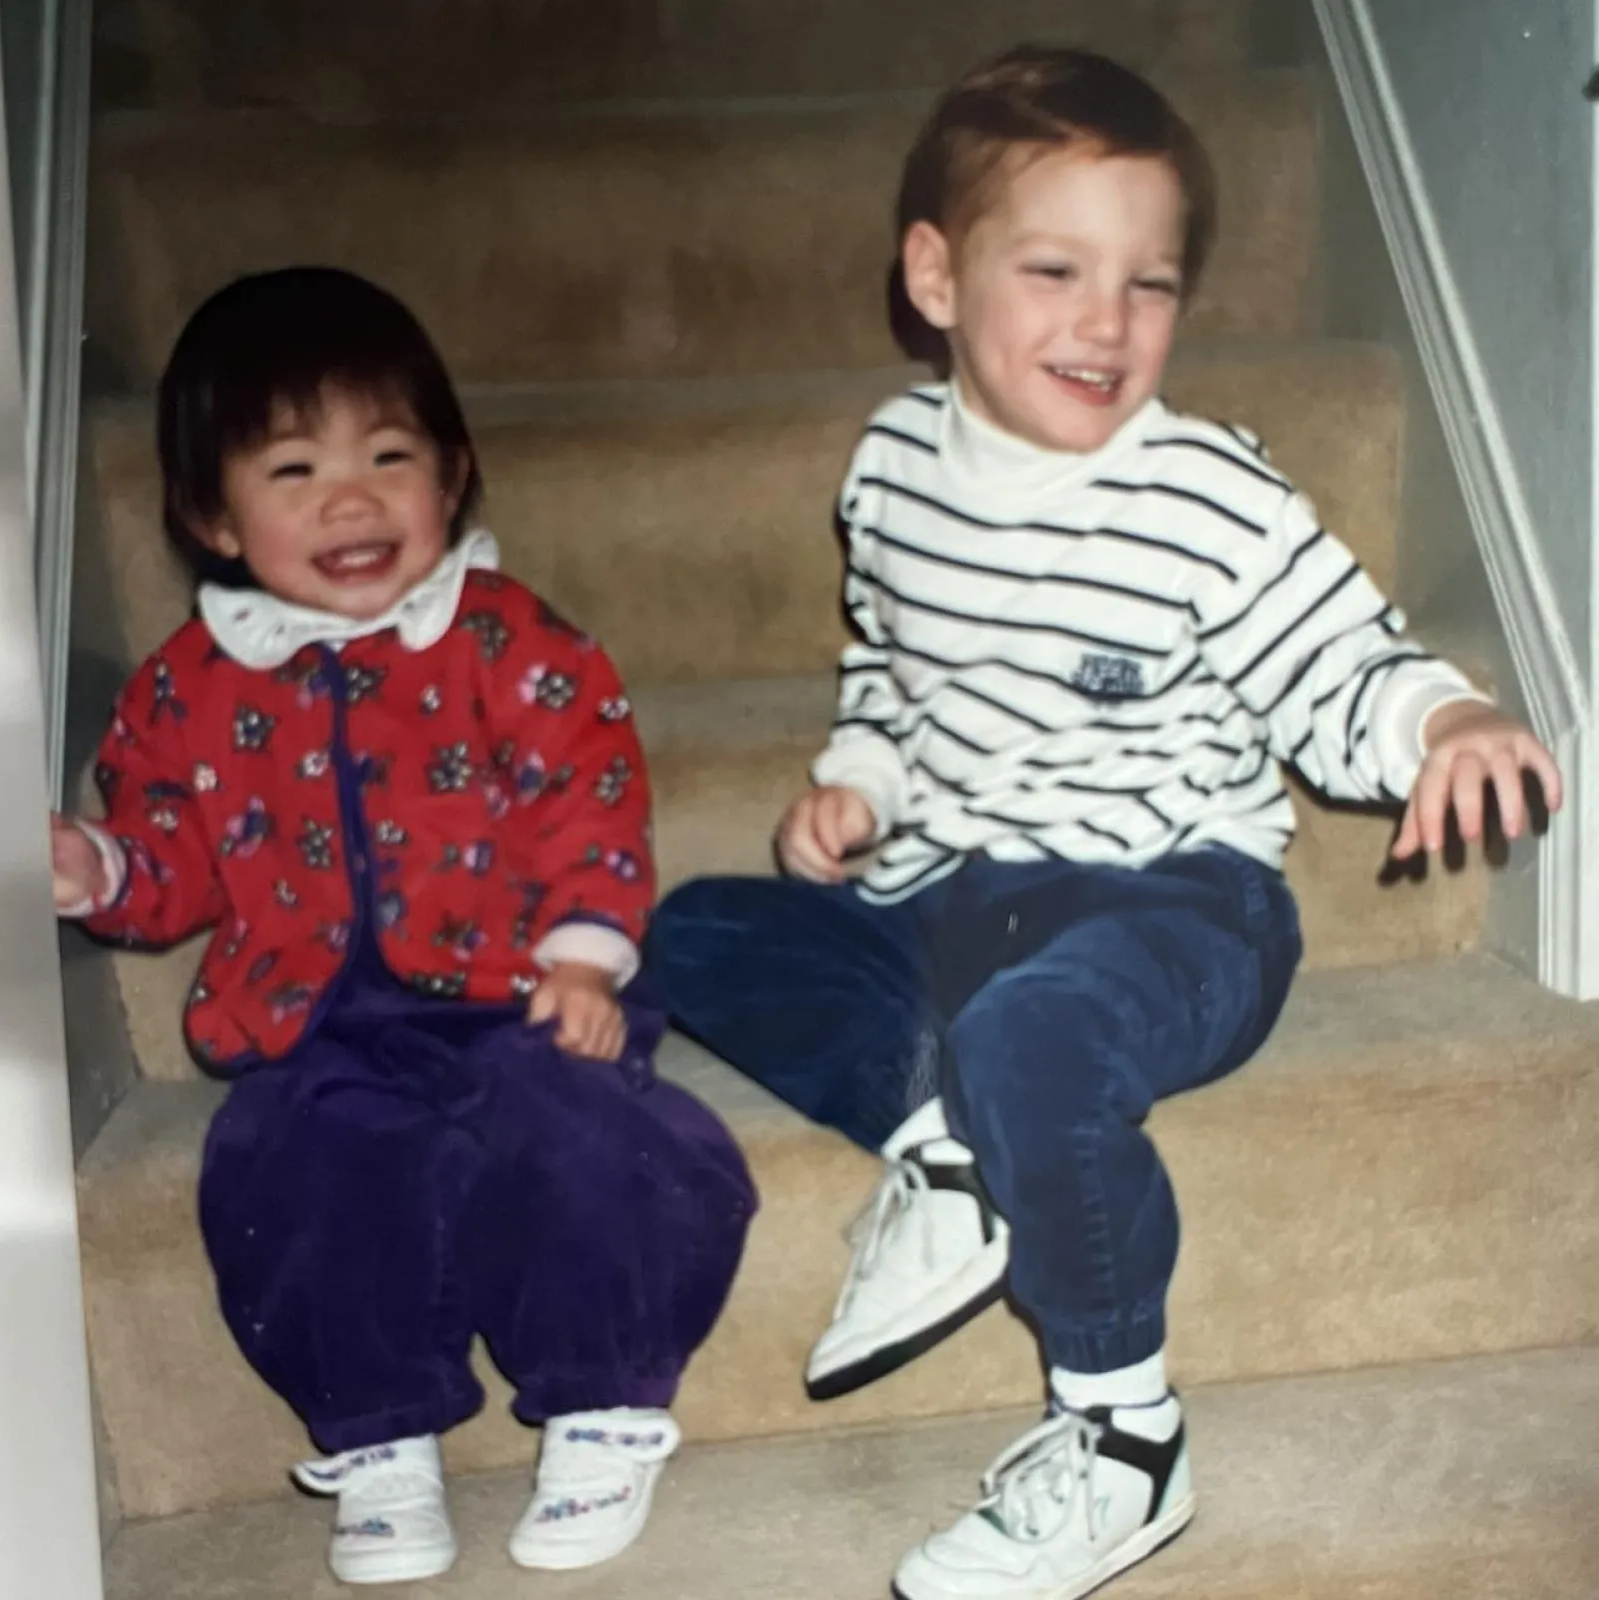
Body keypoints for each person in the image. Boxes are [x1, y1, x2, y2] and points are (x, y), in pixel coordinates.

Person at [646, 46, 1561, 1600]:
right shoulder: (887, 474)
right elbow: (890, 669)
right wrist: (859, 783)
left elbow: (1337, 660)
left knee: (1034, 1040)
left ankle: (1123, 1438)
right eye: (1057, 269)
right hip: (959, 888)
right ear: (935, 276)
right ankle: (941, 1138)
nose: (1108, 322)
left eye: (1152, 283)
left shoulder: (1207, 495)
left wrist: (1443, 720)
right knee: (697, 930)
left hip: (1178, 904)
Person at [52, 266, 756, 1587]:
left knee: (587, 1130)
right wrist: (98, 870)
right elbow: (178, 861)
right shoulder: (188, 690)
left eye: (390, 455)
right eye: (295, 471)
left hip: (519, 988)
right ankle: (378, 1436)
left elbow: (587, 796)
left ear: (456, 471)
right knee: (290, 1160)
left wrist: (586, 956)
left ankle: (603, 1394)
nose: (354, 497)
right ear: (211, 513)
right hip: (313, 1016)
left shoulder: (509, 639)